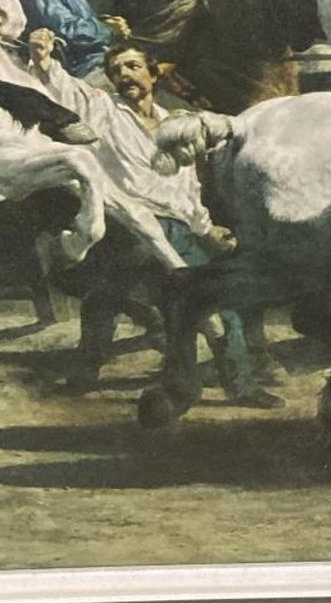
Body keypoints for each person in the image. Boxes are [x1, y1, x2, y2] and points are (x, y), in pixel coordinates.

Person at [83, 43, 280, 406]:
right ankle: (176, 387)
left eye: (132, 67)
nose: (125, 75)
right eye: (116, 71)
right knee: (167, 302)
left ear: (154, 74)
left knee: (205, 302)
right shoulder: (105, 113)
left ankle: (241, 387)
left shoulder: (175, 123)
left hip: (178, 228)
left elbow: (188, 187)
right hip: (130, 227)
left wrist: (205, 228)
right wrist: (42, 59)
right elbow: (68, 92)